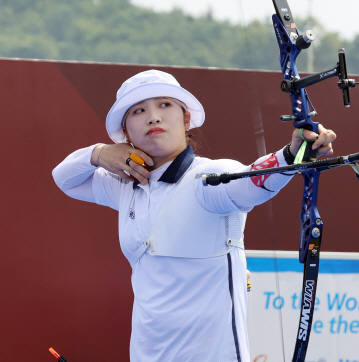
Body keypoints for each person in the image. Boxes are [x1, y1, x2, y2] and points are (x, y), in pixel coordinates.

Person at [52, 69, 336, 361]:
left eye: (164, 105)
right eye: (138, 111)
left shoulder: (207, 177)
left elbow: (253, 181)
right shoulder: (125, 184)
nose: (153, 117)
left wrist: (292, 153)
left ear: (186, 119)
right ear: (126, 134)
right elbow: (64, 178)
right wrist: (99, 153)